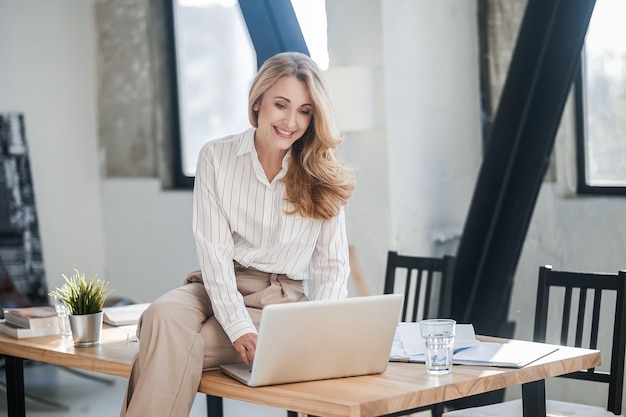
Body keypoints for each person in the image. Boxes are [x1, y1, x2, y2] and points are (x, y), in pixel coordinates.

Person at [120, 51, 355, 417]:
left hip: (280, 297)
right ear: (257, 101)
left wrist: (318, 335)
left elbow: (332, 266)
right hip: (219, 282)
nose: (291, 121)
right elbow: (213, 251)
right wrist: (238, 327)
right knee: (160, 317)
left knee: (171, 347)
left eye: (305, 110)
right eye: (281, 104)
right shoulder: (216, 157)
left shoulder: (322, 174)